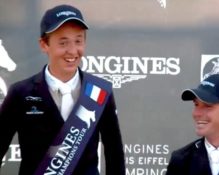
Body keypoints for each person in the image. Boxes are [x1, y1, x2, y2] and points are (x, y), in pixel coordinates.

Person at [0, 4, 125, 175]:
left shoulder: (99, 91)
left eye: (78, 41)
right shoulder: (21, 93)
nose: (72, 51)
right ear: (44, 44)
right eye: (63, 42)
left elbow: (114, 154)